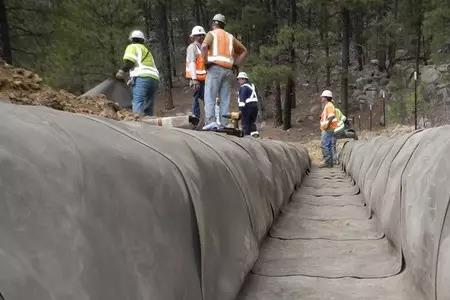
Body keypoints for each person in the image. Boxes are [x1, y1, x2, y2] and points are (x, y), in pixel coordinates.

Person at [201, 14, 248, 130]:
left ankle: (210, 122)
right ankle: (224, 123)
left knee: (210, 96)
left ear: (213, 23)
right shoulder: (230, 37)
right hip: (228, 71)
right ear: (223, 25)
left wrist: (205, 62)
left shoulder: (211, 34)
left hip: (214, 68)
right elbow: (244, 51)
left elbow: (203, 47)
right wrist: (236, 64)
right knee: (225, 98)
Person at [116, 30, 159, 117]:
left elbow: (130, 62)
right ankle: (150, 121)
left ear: (131, 39)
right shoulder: (146, 50)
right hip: (154, 79)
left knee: (138, 101)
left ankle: (137, 124)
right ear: (142, 40)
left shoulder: (132, 47)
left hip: (142, 78)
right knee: (149, 103)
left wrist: (122, 71)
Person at [186, 26, 207, 119]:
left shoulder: (203, 48)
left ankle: (206, 119)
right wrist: (194, 79)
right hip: (196, 79)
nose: (200, 37)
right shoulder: (192, 47)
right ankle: (196, 119)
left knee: (205, 99)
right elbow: (192, 62)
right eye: (198, 35)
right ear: (193, 37)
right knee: (197, 99)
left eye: (202, 35)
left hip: (204, 79)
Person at [319, 90, 338, 168]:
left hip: (328, 129)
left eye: (323, 97)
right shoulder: (328, 105)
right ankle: (329, 162)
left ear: (326, 98)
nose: (321, 98)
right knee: (328, 145)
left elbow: (331, 116)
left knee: (324, 145)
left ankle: (327, 162)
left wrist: (326, 125)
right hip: (329, 128)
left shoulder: (329, 105)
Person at [237, 72, 259, 137]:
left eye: (239, 79)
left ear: (243, 79)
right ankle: (255, 135)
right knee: (252, 122)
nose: (238, 81)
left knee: (245, 123)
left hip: (247, 107)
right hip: (255, 107)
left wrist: (240, 110)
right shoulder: (252, 86)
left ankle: (246, 137)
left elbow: (242, 100)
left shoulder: (243, 87)